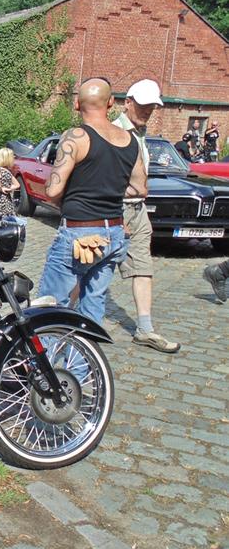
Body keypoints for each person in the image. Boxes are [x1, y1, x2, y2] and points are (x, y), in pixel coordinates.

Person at [36, 77, 147, 324]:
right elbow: (140, 188)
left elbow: (53, 191)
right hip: (114, 233)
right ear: (111, 102)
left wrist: (80, 189)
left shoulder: (76, 136)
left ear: (77, 104)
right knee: (94, 304)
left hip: (80, 232)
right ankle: (87, 351)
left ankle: (49, 350)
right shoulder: (131, 140)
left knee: (51, 307)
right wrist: (109, 190)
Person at [112, 79, 180, 353]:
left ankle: (145, 329)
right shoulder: (115, 132)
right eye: (142, 105)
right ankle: (61, 319)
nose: (148, 111)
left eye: (151, 106)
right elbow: (108, 178)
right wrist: (118, 216)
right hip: (117, 209)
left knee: (143, 268)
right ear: (127, 102)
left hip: (138, 210)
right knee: (92, 267)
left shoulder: (140, 133)